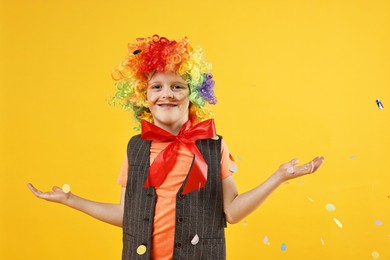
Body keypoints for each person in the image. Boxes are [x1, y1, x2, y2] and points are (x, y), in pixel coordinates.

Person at [27, 35, 324, 260]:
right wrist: (70, 200)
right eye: (157, 87)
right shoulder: (135, 148)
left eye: (177, 86)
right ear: (143, 95)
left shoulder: (213, 146)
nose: (166, 94)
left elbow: (231, 212)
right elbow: (125, 215)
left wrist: (278, 177)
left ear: (193, 94)